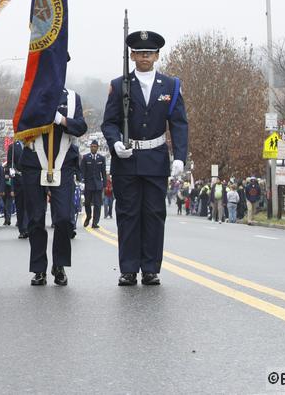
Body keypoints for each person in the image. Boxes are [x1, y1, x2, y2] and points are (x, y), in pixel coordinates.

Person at [102, 29, 188, 286]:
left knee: (153, 214)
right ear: (132, 55)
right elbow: (109, 123)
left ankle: (150, 268)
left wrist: (180, 157)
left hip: (156, 158)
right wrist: (116, 143)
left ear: (157, 55)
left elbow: (179, 124)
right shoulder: (120, 85)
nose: (144, 57)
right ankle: (128, 268)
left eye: (149, 53)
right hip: (126, 160)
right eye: (139, 53)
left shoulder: (171, 85)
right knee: (128, 215)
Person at [20, 81, 88, 287]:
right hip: (34, 161)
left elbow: (81, 127)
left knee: (64, 217)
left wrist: (61, 119)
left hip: (63, 162)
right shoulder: (30, 93)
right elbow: (20, 126)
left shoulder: (73, 98)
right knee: (36, 217)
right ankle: (39, 269)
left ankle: (59, 264)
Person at [79, 140, 107, 229]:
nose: (93, 148)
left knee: (97, 205)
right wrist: (81, 181)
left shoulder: (101, 158)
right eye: (92, 146)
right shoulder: (85, 158)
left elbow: (103, 172)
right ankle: (88, 216)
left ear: (97, 148)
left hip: (98, 185)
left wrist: (105, 184)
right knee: (87, 203)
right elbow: (82, 171)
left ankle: (95, 222)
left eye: (95, 146)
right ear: (90, 147)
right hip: (88, 185)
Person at [7, 139, 28, 238]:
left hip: (31, 178)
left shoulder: (32, 143)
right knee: (20, 205)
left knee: (30, 204)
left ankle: (28, 226)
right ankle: (22, 229)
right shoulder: (13, 147)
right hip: (18, 178)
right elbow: (10, 164)